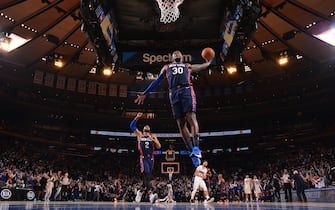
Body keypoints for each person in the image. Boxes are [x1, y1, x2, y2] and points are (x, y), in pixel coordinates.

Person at [135, 50, 212, 167]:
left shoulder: (187, 66)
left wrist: (208, 62)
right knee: (181, 124)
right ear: (172, 58)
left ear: (182, 57)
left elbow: (201, 66)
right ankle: (191, 151)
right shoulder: (166, 67)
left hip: (186, 90)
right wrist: (145, 93)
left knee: (191, 117)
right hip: (174, 93)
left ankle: (196, 147)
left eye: (178, 52)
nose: (176, 53)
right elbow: (156, 82)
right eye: (174, 53)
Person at [130, 112, 161, 190]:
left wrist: (154, 140)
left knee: (149, 174)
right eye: (145, 126)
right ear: (144, 129)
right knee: (146, 172)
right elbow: (132, 126)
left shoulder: (153, 136)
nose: (147, 126)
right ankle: (148, 190)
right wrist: (137, 117)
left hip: (151, 157)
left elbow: (159, 146)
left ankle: (144, 188)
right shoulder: (140, 135)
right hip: (144, 157)